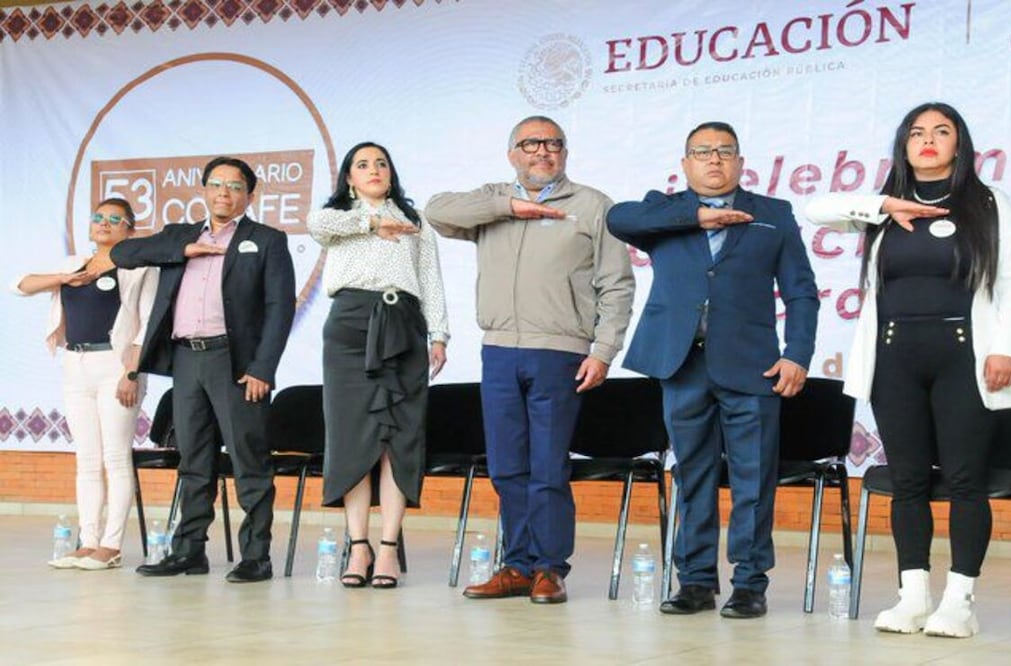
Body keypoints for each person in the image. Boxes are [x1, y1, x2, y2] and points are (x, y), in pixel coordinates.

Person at [804, 102, 1011, 638]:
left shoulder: (989, 202)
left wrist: (1006, 350)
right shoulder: (881, 210)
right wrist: (883, 203)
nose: (928, 140)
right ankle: (913, 598)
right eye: (917, 132)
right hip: (893, 358)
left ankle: (959, 601)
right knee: (906, 480)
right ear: (904, 145)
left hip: (963, 355)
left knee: (964, 479)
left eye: (941, 131)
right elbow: (816, 208)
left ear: (960, 143)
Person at [607, 121, 819, 619]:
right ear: (685, 165)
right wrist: (695, 215)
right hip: (683, 365)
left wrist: (798, 353)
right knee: (693, 474)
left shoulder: (774, 215)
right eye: (702, 152)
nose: (714, 160)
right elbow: (619, 218)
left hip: (753, 365)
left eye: (725, 152)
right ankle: (696, 581)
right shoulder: (662, 214)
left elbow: (801, 291)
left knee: (753, 478)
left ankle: (749, 583)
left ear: (741, 163)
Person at [426, 116, 634, 604]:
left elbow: (617, 283)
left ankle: (548, 568)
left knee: (547, 467)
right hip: (498, 349)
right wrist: (507, 207)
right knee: (505, 467)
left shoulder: (592, 205)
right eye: (531, 144)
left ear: (565, 153)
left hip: (559, 352)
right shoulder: (491, 200)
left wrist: (603, 350)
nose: (544, 152)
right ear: (512, 153)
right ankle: (516, 564)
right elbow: (435, 211)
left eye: (554, 144)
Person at [111, 156, 296, 583]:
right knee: (194, 459)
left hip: (235, 363)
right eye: (216, 185)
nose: (224, 194)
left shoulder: (265, 240)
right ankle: (189, 551)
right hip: (186, 359)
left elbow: (279, 308)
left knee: (248, 459)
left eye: (234, 187)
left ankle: (256, 556)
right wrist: (182, 250)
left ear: (250, 194)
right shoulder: (180, 235)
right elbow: (122, 252)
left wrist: (262, 368)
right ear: (204, 190)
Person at [307, 141, 449, 589]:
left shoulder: (413, 220)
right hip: (350, 327)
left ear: (392, 172)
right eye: (362, 164)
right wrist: (371, 222)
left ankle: (388, 548)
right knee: (351, 437)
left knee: (398, 438)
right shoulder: (338, 218)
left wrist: (439, 333)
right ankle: (358, 545)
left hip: (403, 325)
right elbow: (316, 225)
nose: (373, 170)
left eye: (381, 163)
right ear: (349, 176)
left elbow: (430, 278)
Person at [14, 199, 158, 571]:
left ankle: (111, 546)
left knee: (116, 457)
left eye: (115, 219)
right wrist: (65, 279)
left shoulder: (139, 266)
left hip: (115, 363)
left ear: (130, 229)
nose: (104, 224)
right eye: (98, 218)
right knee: (87, 460)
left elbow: (146, 323)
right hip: (75, 363)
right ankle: (87, 541)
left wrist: (131, 372)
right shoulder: (71, 263)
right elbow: (21, 285)